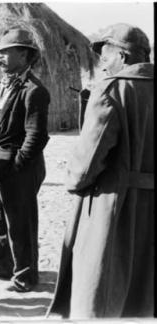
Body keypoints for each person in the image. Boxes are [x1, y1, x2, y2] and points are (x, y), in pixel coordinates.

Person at [48, 24, 154, 318]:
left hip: (114, 207)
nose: (102, 65)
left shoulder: (111, 90)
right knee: (144, 293)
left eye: (105, 58)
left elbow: (86, 166)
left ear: (122, 55)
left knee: (101, 289)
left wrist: (74, 182)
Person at [0, 28, 49, 292]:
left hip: (18, 169)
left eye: (5, 53)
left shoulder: (34, 91)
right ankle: (2, 265)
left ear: (24, 55)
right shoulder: (2, 86)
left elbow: (37, 136)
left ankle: (25, 275)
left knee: (20, 223)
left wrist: (17, 165)